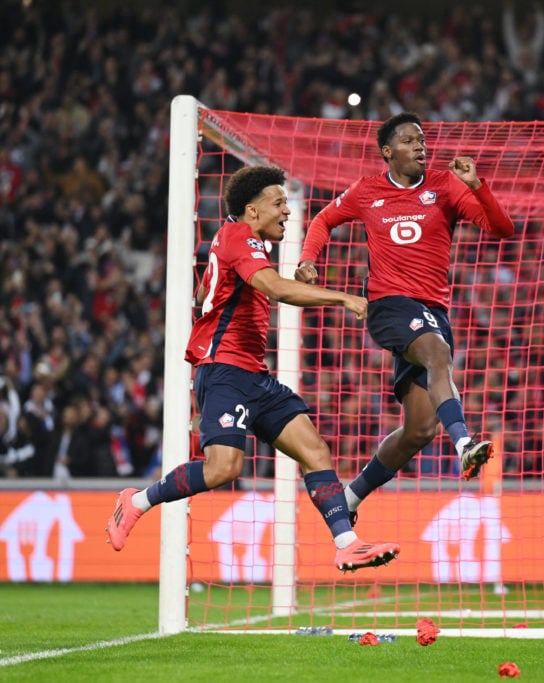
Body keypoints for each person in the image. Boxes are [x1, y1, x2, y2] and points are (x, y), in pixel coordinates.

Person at [105, 165, 399, 572]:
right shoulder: (239, 235)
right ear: (252, 210)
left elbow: (211, 290)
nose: (287, 212)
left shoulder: (237, 239)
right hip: (224, 369)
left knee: (313, 449)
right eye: (278, 203)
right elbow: (275, 289)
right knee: (224, 467)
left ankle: (346, 544)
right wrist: (342, 298)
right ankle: (135, 501)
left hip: (253, 375)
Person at [295, 112, 515, 522]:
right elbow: (324, 218)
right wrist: (309, 259)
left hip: (432, 310)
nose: (420, 146)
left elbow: (501, 228)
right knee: (438, 354)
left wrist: (477, 186)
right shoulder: (367, 190)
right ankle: (465, 443)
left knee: (418, 429)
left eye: (422, 140)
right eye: (410, 140)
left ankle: (351, 496)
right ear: (387, 151)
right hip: (389, 304)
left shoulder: (445, 186)